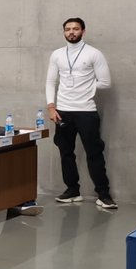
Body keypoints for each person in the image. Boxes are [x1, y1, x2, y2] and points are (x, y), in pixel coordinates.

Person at [46, 16, 114, 209]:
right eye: (67, 29)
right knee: (65, 152)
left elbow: (106, 82)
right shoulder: (57, 54)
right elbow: (51, 82)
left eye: (75, 29)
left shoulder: (93, 54)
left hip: (86, 111)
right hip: (63, 111)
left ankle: (103, 194)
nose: (71, 32)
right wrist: (52, 106)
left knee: (94, 153)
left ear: (83, 31)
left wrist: (87, 89)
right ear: (64, 32)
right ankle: (72, 190)